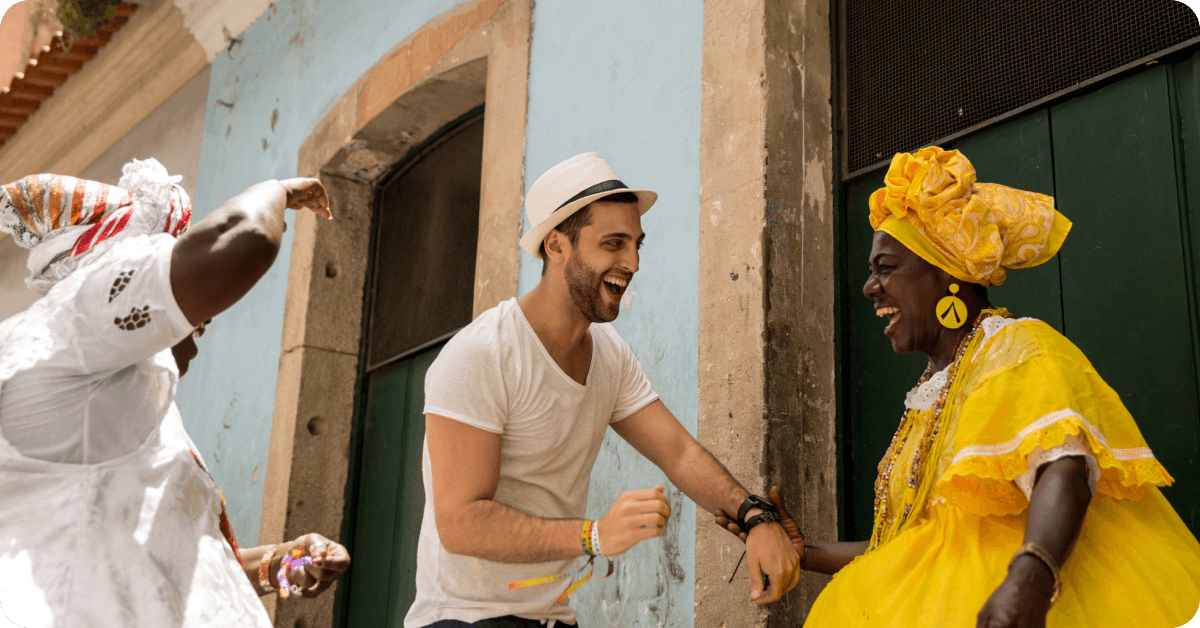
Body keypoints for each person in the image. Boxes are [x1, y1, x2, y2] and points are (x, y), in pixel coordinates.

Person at [718, 146, 1200, 627]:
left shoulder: (1015, 347)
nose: (869, 287)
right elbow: (926, 542)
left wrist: (1028, 581)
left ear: (948, 270)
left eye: (885, 267)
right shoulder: (933, 390)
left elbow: (1064, 470)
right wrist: (811, 552)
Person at [404, 152, 801, 628]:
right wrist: (594, 535)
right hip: (464, 619)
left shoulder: (610, 355)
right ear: (556, 246)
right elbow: (461, 523)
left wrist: (756, 518)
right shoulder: (482, 354)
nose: (631, 262)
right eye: (613, 243)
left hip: (553, 619)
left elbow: (679, 454)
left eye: (636, 244)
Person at [0, 160, 351, 628]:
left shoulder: (119, 409)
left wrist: (285, 566)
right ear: (111, 279)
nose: (202, 319)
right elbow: (243, 238)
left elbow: (174, 580)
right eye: (168, 262)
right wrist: (276, 190)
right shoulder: (73, 328)